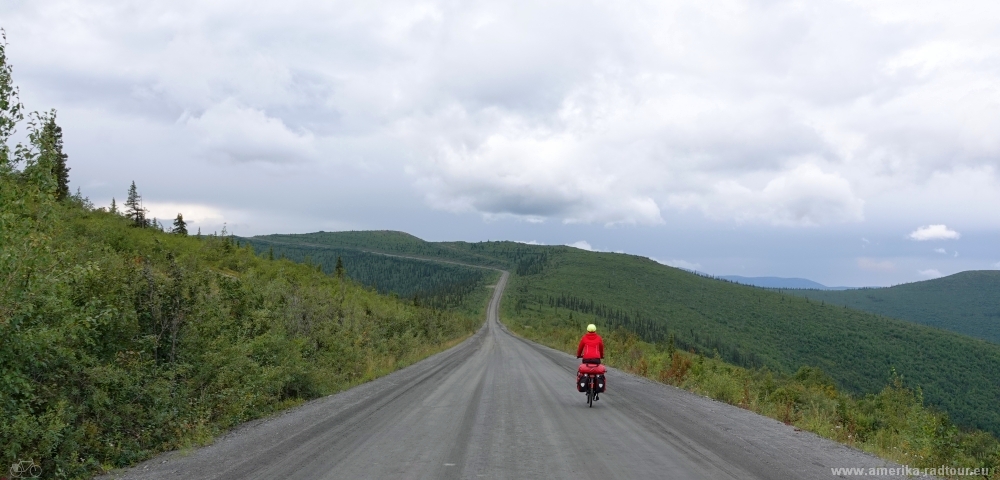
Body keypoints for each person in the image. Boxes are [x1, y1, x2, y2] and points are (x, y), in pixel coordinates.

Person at [576, 324, 605, 400]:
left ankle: (586, 385)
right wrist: (601, 356)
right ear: (595, 330)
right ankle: (596, 389)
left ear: (587, 330)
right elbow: (601, 348)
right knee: (596, 372)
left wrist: (578, 355)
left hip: (586, 359)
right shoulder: (599, 338)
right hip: (596, 359)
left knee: (587, 371)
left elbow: (580, 347)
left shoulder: (584, 338)